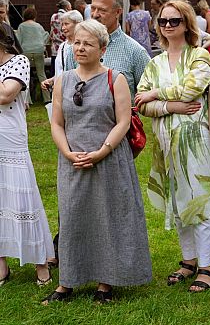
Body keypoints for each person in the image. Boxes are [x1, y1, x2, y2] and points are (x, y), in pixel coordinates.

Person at [42, 19, 152, 305]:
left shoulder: (114, 79)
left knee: (109, 218)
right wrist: (67, 153)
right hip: (73, 161)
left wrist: (102, 151)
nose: (80, 48)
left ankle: (106, 282)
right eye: (77, 42)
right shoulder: (63, 80)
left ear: (102, 49)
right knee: (72, 218)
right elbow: (56, 123)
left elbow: (124, 121)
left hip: (109, 160)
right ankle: (68, 281)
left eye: (88, 43)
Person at [135, 0, 210, 293]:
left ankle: (206, 266)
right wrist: (172, 105)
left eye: (174, 20)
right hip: (165, 143)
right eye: (163, 21)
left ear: (187, 23)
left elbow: (195, 87)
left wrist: (158, 94)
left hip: (196, 141)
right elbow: (141, 102)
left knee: (199, 200)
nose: (168, 25)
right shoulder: (153, 63)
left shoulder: (199, 54)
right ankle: (188, 260)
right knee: (179, 203)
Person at [0, 23, 54, 288]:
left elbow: (6, 94)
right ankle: (1, 266)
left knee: (23, 199)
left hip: (10, 139)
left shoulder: (18, 61)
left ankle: (41, 263)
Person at [64, 0, 150, 99]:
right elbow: (67, 91)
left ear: (118, 12)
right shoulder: (75, 50)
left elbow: (148, 94)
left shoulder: (135, 52)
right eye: (93, 8)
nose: (95, 14)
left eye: (102, 10)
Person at [17, 7, 51, 104]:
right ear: (35, 16)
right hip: (39, 51)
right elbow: (46, 38)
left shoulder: (21, 26)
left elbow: (18, 40)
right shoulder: (39, 26)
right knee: (41, 74)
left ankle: (27, 100)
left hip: (25, 51)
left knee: (25, 75)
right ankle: (47, 99)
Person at [50, 0, 71, 76]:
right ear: (68, 7)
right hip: (66, 45)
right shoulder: (67, 16)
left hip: (55, 47)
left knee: (54, 71)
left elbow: (52, 31)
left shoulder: (53, 16)